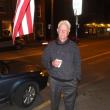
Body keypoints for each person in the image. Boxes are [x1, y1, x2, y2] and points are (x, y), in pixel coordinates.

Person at [42, 20, 81, 110]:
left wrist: (77, 79)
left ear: (68, 32)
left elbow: (77, 63)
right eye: (61, 29)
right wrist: (51, 63)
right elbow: (43, 60)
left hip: (70, 82)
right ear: (57, 30)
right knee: (54, 104)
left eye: (65, 30)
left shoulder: (74, 46)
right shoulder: (50, 46)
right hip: (55, 81)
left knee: (70, 105)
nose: (63, 32)